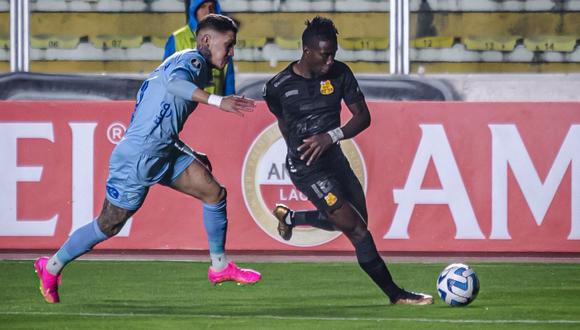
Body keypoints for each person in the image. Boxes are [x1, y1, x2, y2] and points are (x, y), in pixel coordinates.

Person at [34, 14, 261, 304]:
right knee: (109, 224)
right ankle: (50, 266)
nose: (231, 52)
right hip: (138, 158)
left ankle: (219, 267)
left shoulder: (187, 63)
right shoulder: (193, 63)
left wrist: (189, 152)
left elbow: (160, 113)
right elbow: (174, 86)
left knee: (214, 193)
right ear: (206, 40)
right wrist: (218, 101)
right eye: (228, 45)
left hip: (165, 150)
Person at [263, 16, 433, 306]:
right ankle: (396, 294)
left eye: (334, 53)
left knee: (357, 221)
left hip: (335, 160)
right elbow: (283, 122)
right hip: (307, 169)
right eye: (325, 54)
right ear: (307, 51)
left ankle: (291, 217)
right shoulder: (278, 87)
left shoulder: (340, 74)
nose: (331, 60)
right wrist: (299, 151)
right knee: (357, 230)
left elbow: (363, 117)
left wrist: (330, 137)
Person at [163, 0, 235, 96]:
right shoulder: (176, 39)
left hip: (216, 108)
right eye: (202, 6)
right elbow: (166, 80)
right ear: (194, 11)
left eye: (212, 6)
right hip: (186, 109)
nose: (208, 11)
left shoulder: (224, 39)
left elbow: (229, 83)